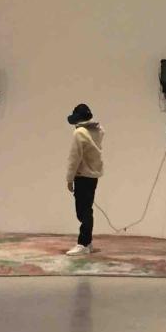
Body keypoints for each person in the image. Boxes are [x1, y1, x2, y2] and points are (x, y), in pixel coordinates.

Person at [64, 103, 105, 256]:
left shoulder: (79, 133)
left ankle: (83, 243)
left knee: (83, 211)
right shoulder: (98, 131)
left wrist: (69, 178)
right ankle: (88, 242)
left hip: (82, 176)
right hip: (93, 176)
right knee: (87, 209)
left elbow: (74, 158)